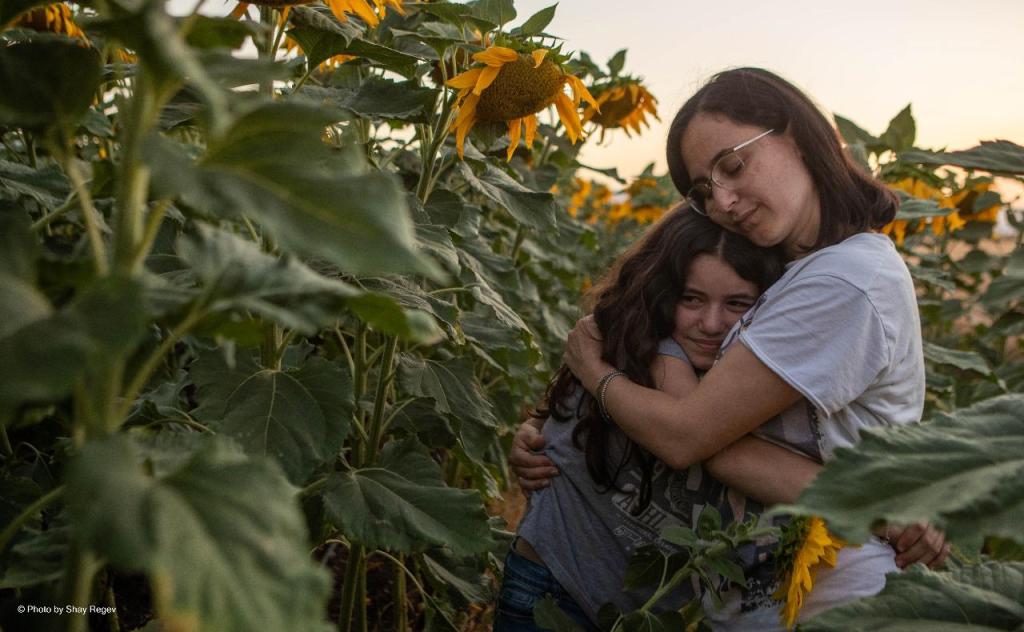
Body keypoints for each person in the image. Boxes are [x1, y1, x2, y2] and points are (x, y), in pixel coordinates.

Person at [514, 67, 949, 630]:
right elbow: (697, 414)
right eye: (702, 190)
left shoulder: (844, 280)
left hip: (837, 599)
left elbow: (691, 434)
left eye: (733, 164)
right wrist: (552, 432)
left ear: (794, 132)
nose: (722, 199)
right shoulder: (786, 272)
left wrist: (595, 373)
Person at [499, 207, 829, 631]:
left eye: (737, 303)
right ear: (661, 293)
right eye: (691, 299)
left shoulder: (751, 374)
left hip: (643, 612)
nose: (710, 324)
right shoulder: (650, 348)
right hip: (559, 590)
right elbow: (687, 437)